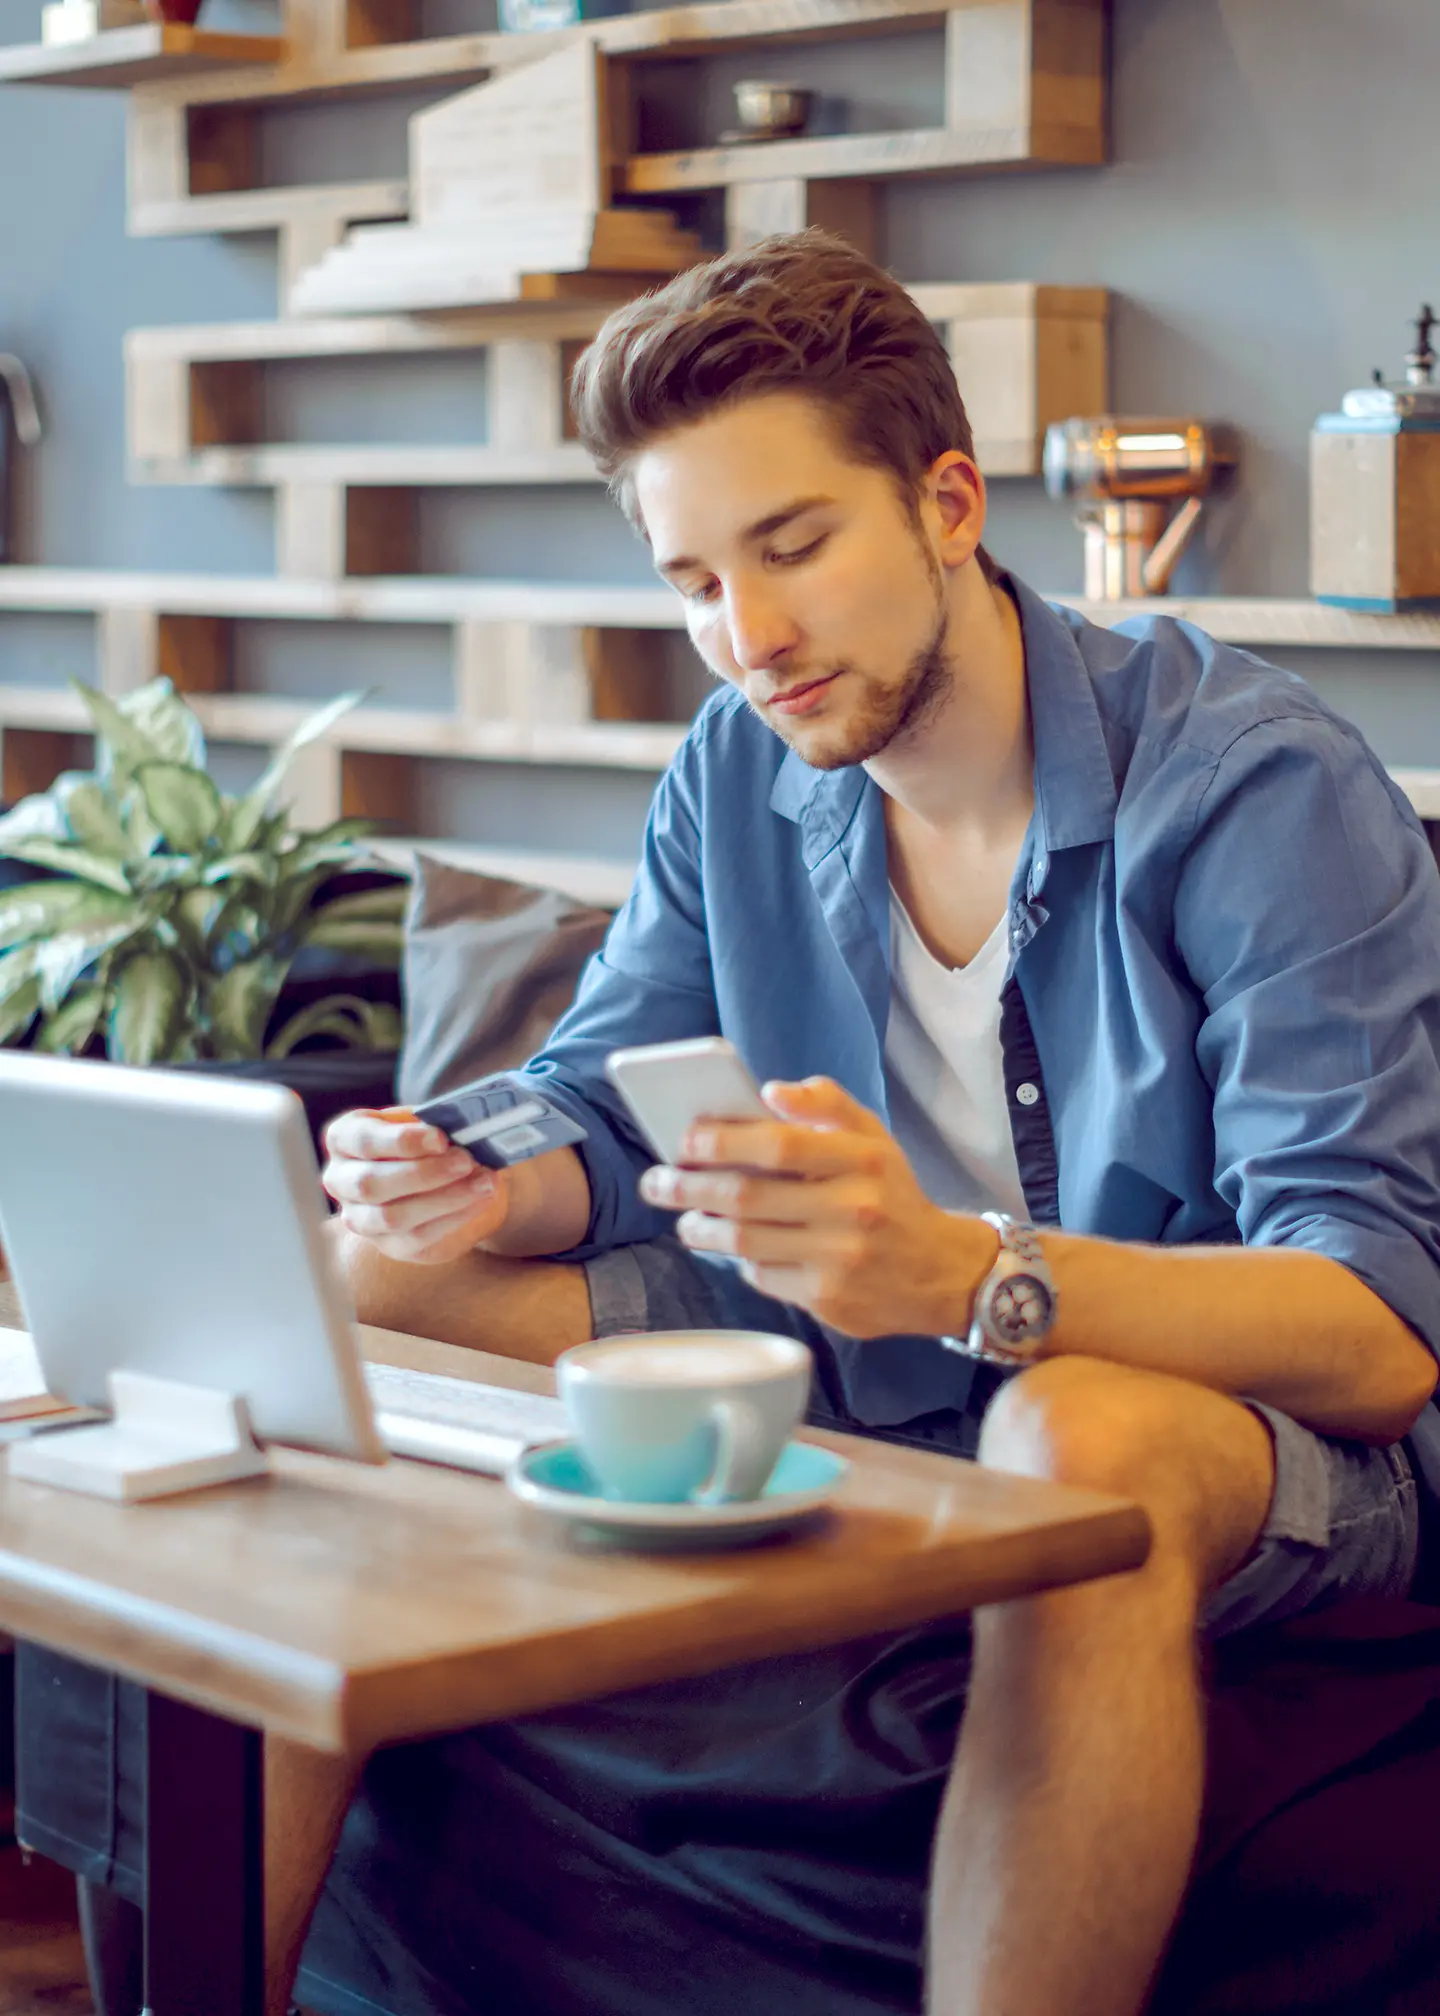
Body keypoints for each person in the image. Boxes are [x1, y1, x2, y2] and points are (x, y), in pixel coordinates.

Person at [21, 232, 1440, 2016]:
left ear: (946, 498)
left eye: (793, 549)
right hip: (859, 1345)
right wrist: (474, 1173)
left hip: (1213, 1408)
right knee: (357, 1279)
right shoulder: (740, 760)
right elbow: (603, 1101)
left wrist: (959, 1273)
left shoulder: (1255, 791)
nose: (748, 638)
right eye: (694, 579)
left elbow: (1375, 1331)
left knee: (1079, 1434)